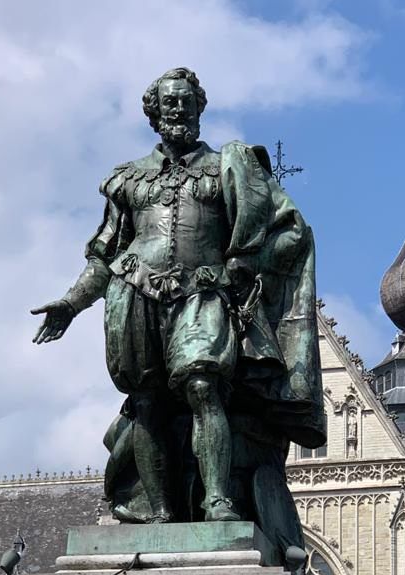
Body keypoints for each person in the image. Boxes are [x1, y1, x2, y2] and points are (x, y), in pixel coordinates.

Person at [30, 67, 325, 550]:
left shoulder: (229, 166)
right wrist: (71, 301)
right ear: (154, 112)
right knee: (146, 402)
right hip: (135, 293)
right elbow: (103, 257)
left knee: (204, 382)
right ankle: (159, 512)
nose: (178, 110)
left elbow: (291, 229)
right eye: (169, 102)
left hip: (203, 291)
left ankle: (216, 502)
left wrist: (245, 265)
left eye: (187, 101)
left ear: (200, 108)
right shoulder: (128, 179)